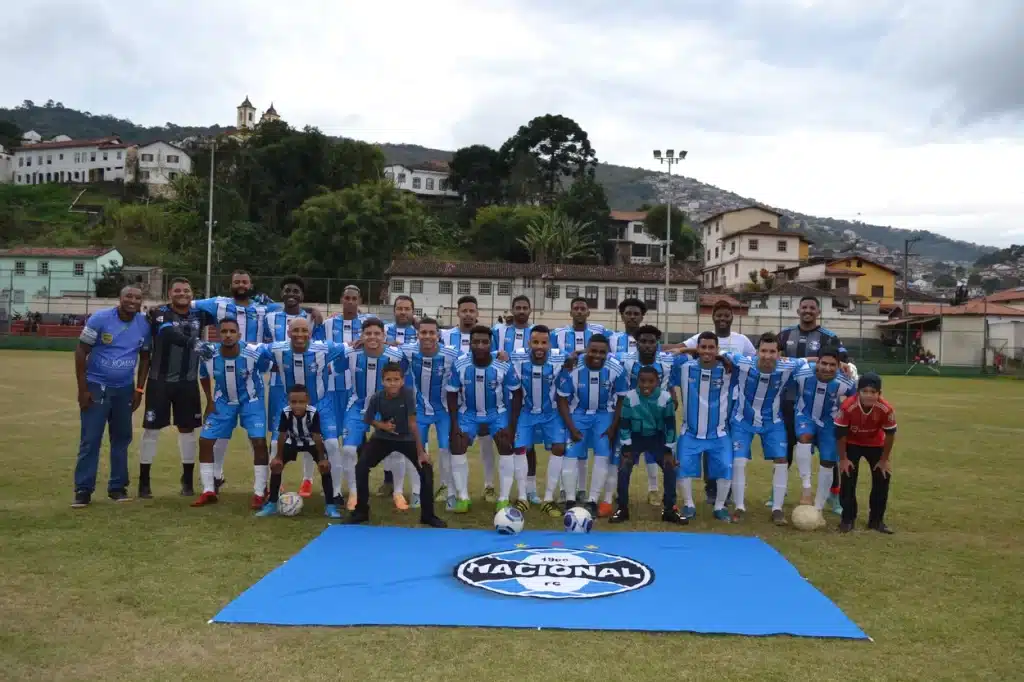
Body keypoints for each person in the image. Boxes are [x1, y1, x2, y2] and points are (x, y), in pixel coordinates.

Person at [72, 286, 152, 508]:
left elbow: (145, 358)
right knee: (90, 440)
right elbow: (81, 351)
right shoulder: (100, 318)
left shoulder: (144, 324)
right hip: (97, 387)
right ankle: (83, 490)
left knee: (121, 440)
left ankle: (117, 488)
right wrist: (83, 389)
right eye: (129, 296)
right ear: (120, 297)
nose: (133, 301)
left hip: (124, 390)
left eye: (137, 297)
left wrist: (139, 390)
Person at [137, 277, 217, 498]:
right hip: (159, 382)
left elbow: (230, 310)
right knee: (151, 430)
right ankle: (144, 481)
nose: (183, 294)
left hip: (188, 382)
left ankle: (187, 480)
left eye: (187, 290)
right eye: (178, 290)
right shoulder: (160, 313)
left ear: (193, 294)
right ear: (170, 294)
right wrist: (194, 343)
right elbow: (167, 332)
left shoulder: (200, 315)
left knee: (188, 430)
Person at [260, 317, 348, 510]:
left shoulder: (324, 348)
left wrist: (337, 368)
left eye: (304, 330)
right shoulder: (277, 349)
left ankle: (336, 493)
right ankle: (273, 497)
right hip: (289, 405)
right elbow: (255, 351)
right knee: (275, 444)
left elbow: (345, 349)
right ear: (288, 333)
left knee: (332, 444)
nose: (300, 335)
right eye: (295, 331)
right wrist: (268, 366)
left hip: (321, 404)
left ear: (310, 332)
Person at [345, 364, 447, 527]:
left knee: (426, 469)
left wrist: (421, 452)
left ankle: (428, 515)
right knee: (361, 467)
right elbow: (368, 419)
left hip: (406, 438)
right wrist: (382, 426)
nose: (392, 383)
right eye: (388, 380)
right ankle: (361, 511)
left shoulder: (408, 395)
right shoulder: (377, 397)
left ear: (402, 381)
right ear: (382, 382)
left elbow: (413, 424)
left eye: (396, 380)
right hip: (382, 438)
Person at [726, 331, 810, 525]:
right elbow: (721, 354)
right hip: (742, 420)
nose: (767, 356)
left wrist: (844, 365)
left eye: (772, 351)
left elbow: (808, 362)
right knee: (739, 461)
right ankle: (739, 506)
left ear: (779, 354)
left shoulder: (787, 366)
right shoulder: (742, 361)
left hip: (772, 422)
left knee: (781, 460)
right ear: (757, 352)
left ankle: (777, 509)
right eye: (763, 351)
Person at [681, 299, 754, 505]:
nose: (722, 318)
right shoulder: (701, 338)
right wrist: (718, 357)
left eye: (726, 315)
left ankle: (727, 488)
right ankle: (711, 487)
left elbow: (753, 362)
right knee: (707, 438)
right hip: (709, 398)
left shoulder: (742, 340)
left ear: (732, 316)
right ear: (713, 317)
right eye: (719, 315)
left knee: (726, 444)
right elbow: (683, 349)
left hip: (733, 401)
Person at [192, 318, 271, 507]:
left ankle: (260, 491)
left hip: (251, 402)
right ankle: (209, 489)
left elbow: (267, 368)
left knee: (259, 442)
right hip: (223, 402)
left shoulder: (253, 353)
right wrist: (210, 400)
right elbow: (203, 376)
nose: (228, 335)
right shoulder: (209, 355)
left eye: (232, 332)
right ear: (219, 334)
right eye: (224, 331)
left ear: (239, 335)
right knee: (205, 441)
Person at [776, 295, 843, 513]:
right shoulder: (785, 335)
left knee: (828, 451)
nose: (807, 311)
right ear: (798, 311)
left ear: (818, 312)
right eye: (804, 307)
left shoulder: (829, 337)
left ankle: (833, 494)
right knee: (785, 447)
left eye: (812, 308)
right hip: (788, 401)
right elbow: (776, 360)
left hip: (822, 403)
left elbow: (843, 362)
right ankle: (780, 489)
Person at [446, 326, 523, 512]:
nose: (480, 346)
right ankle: (463, 497)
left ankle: (503, 498)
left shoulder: (503, 364)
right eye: (476, 342)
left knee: (506, 443)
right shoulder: (460, 364)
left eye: (485, 342)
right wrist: (454, 424)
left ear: (491, 344)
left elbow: (517, 393)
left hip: (496, 413)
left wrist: (512, 426)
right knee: (457, 443)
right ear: (470, 344)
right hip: (468, 413)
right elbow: (451, 394)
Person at [263, 275, 325, 499]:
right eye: (287, 290)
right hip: (280, 386)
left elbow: (317, 347)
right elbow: (264, 347)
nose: (291, 294)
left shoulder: (311, 318)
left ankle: (307, 480)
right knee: (276, 434)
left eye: (296, 291)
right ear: (281, 294)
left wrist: (311, 309)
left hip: (306, 387)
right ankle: (275, 483)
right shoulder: (269, 316)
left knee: (309, 431)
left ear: (302, 296)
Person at [338, 318, 408, 509]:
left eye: (377, 333)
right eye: (368, 333)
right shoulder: (351, 353)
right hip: (357, 406)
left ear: (384, 336)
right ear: (361, 335)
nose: (372, 337)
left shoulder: (395, 355)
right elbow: (332, 355)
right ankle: (354, 493)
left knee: (396, 451)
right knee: (349, 450)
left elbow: (414, 352)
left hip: (386, 407)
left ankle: (398, 492)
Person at [555, 334, 628, 515]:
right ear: (586, 349)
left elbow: (621, 398)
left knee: (602, 456)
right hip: (578, 414)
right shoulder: (572, 368)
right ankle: (570, 500)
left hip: (604, 415)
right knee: (570, 455)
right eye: (593, 350)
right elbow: (561, 398)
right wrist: (571, 427)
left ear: (608, 353)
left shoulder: (616, 369)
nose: (597, 355)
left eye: (602, 352)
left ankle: (593, 500)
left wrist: (613, 426)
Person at [611, 366, 686, 525]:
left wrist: (668, 449)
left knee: (670, 467)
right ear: (637, 381)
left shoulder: (665, 398)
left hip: (657, 438)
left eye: (651, 381)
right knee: (623, 468)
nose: (646, 385)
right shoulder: (630, 398)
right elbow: (624, 425)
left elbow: (670, 426)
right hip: (635, 438)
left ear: (658, 382)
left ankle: (669, 510)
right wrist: (626, 446)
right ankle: (622, 508)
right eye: (642, 381)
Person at [672, 332, 734, 522]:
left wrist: (723, 357)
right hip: (690, 431)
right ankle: (689, 504)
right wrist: (686, 349)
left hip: (719, 432)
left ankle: (719, 506)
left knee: (725, 466)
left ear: (717, 349)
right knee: (682, 467)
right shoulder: (684, 367)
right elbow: (667, 353)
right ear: (697, 349)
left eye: (711, 348)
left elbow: (751, 359)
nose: (707, 351)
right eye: (703, 347)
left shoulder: (729, 370)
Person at [398, 318, 459, 509]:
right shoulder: (408, 351)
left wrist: (499, 354)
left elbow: (471, 359)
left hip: (443, 411)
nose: (427, 336)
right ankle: (416, 492)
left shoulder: (451, 354)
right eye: (423, 333)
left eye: (431, 333)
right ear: (418, 334)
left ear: (438, 335)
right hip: (419, 411)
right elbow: (395, 365)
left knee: (445, 449)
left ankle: (450, 491)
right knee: (415, 450)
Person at [508, 325, 567, 517]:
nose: (539, 346)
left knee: (559, 447)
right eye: (535, 342)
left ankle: (548, 499)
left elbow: (580, 357)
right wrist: (499, 355)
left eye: (544, 342)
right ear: (528, 343)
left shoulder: (559, 356)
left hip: (551, 412)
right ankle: (523, 497)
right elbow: (496, 355)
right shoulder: (517, 356)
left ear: (550, 344)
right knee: (520, 448)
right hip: (526, 412)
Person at [615, 324, 676, 508]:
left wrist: (673, 394)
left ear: (657, 343)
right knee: (624, 461)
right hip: (634, 418)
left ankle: (656, 492)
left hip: (658, 419)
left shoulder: (667, 361)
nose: (648, 345)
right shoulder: (624, 360)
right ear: (636, 343)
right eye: (643, 341)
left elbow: (686, 358)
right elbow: (601, 355)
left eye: (652, 342)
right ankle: (620, 501)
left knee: (664, 460)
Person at [256, 385, 338, 517]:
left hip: (311, 443)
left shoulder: (313, 413)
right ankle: (272, 504)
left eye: (301, 402)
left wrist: (322, 458)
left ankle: (330, 506)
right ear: (289, 402)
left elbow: (317, 437)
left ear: (308, 401)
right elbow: (282, 435)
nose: (297, 406)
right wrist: (278, 457)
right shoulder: (286, 412)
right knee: (276, 466)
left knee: (325, 468)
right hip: (292, 442)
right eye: (293, 402)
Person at [794, 346, 856, 510]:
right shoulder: (802, 373)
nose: (827, 368)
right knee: (804, 437)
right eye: (824, 363)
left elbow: (856, 399)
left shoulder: (845, 381)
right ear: (817, 362)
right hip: (805, 414)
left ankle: (819, 505)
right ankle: (806, 489)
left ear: (838, 366)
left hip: (829, 421)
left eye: (832, 365)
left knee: (828, 460)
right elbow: (783, 366)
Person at [835, 373, 897, 534]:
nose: (869, 395)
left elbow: (890, 435)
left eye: (873, 392)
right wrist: (843, 459)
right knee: (848, 476)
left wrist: (884, 460)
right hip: (852, 443)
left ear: (879, 393)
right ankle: (847, 519)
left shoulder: (886, 409)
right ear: (858, 392)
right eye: (865, 391)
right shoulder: (848, 406)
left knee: (883, 476)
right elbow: (840, 434)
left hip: (875, 444)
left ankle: (876, 521)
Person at [489, 295, 535, 503]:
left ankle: (529, 489)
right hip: (501, 394)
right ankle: (500, 490)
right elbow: (486, 351)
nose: (521, 311)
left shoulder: (535, 332)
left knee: (526, 444)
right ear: (512, 309)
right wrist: (497, 354)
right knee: (504, 442)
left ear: (530, 310)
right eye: (518, 307)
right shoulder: (498, 330)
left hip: (527, 393)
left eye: (525, 307)